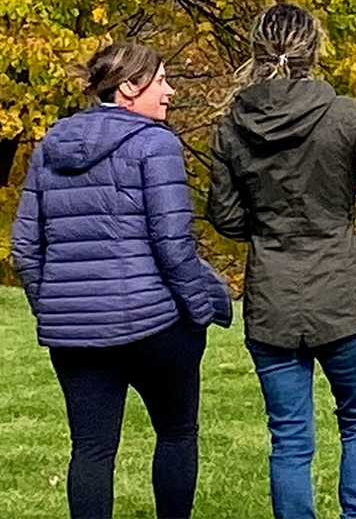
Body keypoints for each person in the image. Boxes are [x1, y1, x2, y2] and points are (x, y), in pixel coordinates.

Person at [207, 2, 356, 519]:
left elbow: (225, 217)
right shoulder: (344, 115)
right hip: (341, 290)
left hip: (271, 297)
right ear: (313, 50)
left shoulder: (232, 126)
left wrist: (267, 231)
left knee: (290, 437)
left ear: (257, 50)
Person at [11, 42, 229, 519]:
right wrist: (199, 312)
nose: (169, 92)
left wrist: (55, 306)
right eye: (161, 81)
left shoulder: (50, 145)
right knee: (176, 433)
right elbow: (174, 246)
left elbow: (24, 248)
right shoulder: (157, 143)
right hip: (155, 327)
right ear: (130, 88)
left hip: (75, 336)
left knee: (90, 451)